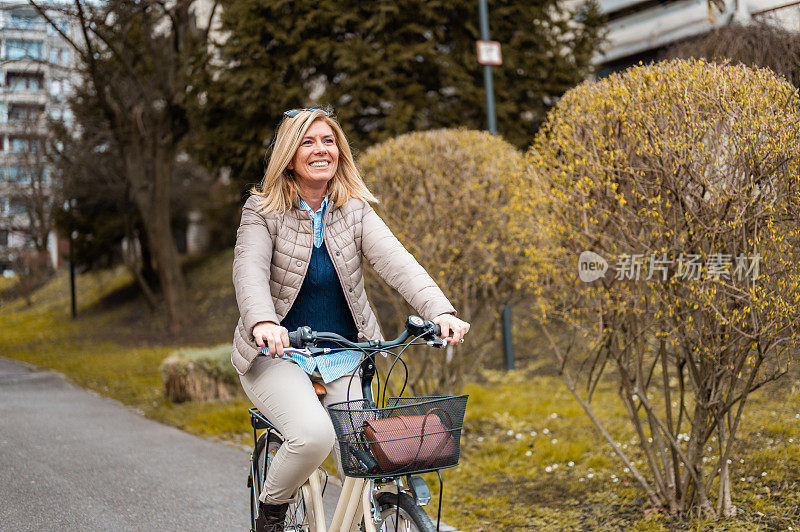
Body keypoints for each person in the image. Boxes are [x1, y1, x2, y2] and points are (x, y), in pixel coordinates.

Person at [231, 108, 470, 531]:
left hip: (344, 354)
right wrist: (263, 324)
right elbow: (248, 269)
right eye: (308, 142)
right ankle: (272, 509)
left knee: (362, 458)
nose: (321, 150)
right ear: (289, 155)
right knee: (313, 435)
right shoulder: (262, 210)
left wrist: (440, 310)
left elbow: (398, 262)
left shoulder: (353, 210)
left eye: (328, 141)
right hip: (277, 354)